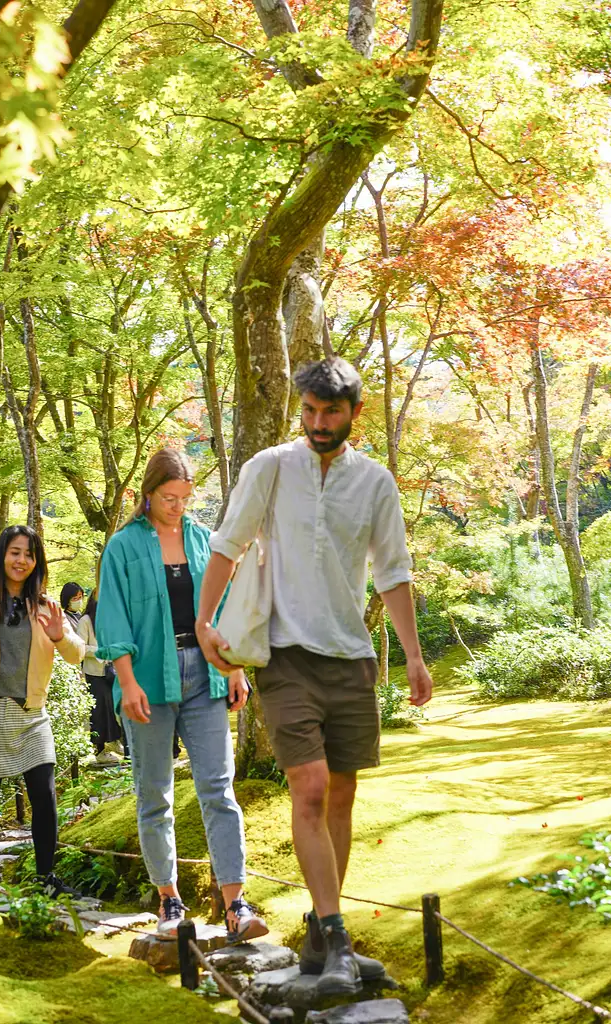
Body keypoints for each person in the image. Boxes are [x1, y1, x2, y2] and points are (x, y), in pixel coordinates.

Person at [196, 357, 434, 996]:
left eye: (331, 412)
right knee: (307, 787)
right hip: (286, 656)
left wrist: (411, 654)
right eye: (309, 411)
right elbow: (227, 544)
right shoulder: (270, 468)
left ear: (356, 412)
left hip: (351, 656)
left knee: (341, 797)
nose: (318, 423)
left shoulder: (376, 483)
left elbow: (393, 570)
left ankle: (321, 938)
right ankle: (339, 938)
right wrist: (203, 621)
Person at [95, 448, 268, 943]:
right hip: (148, 680)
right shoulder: (123, 547)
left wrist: (233, 669)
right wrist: (126, 682)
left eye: (183, 498)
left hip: (207, 676)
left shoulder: (201, 540)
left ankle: (236, 902)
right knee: (155, 795)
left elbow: (226, 606)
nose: (176, 506)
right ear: (146, 494)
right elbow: (114, 621)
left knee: (219, 788)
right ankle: (169, 901)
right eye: (167, 497)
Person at [0, 525, 86, 898]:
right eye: (15, 552)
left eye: (29, 554)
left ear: (37, 561)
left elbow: (77, 656)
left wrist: (60, 633)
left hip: (31, 713)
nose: (21, 560)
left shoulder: (46, 607)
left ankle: (45, 877)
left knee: (44, 793)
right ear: (2, 556)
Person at [77, 589, 124, 765]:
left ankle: (114, 741)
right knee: (98, 711)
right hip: (94, 672)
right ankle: (100, 749)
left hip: (110, 670)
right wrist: (100, 652)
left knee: (112, 708)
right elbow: (79, 647)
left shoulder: (108, 619)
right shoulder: (86, 621)